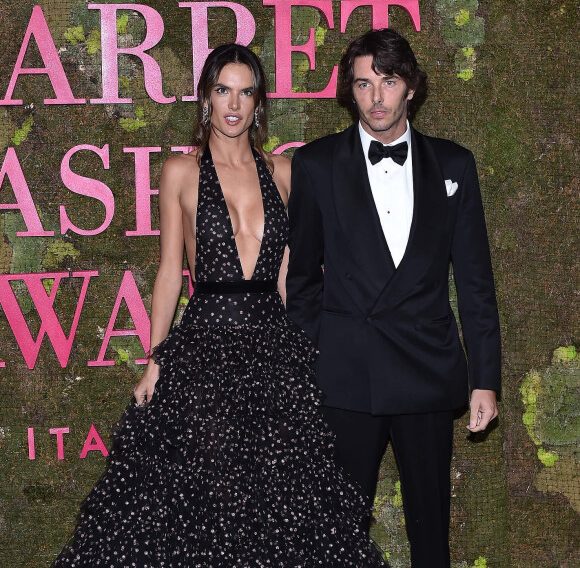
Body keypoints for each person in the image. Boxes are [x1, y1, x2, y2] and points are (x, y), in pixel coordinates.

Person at [52, 43, 386, 567]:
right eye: (223, 90)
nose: (234, 103)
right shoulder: (180, 173)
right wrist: (154, 359)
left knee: (280, 503)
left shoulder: (284, 172)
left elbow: (289, 275)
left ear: (259, 102)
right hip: (205, 352)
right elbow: (169, 273)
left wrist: (303, 354)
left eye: (246, 91)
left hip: (273, 352)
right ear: (207, 98)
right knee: (207, 503)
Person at [286, 28, 501, 568]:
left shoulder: (454, 165)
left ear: (410, 87)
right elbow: (303, 280)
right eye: (363, 84)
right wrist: (315, 360)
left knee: (431, 536)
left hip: (426, 371)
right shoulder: (315, 164)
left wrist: (485, 380)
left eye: (388, 81)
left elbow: (475, 283)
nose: (376, 97)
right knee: (337, 535)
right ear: (350, 92)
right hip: (345, 377)